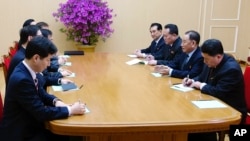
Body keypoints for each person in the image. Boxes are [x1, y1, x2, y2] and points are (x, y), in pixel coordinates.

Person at [0, 36, 86, 141]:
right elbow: (41, 112)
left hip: (30, 122)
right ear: (36, 58)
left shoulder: (27, 69)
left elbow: (40, 92)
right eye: (48, 60)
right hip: (21, 133)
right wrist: (70, 110)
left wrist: (56, 102)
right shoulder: (22, 79)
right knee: (65, 135)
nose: (49, 64)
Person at [183, 39, 247, 141]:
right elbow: (201, 77)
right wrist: (192, 81)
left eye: (206, 59)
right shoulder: (210, 61)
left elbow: (219, 92)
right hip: (212, 103)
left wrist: (201, 86)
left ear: (218, 56)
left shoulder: (231, 69)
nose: (204, 61)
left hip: (231, 110)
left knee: (200, 127)